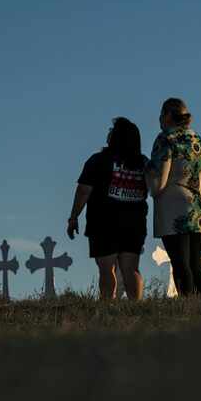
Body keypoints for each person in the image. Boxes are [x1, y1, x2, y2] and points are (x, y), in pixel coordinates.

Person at [67, 117, 148, 299]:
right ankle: (137, 307)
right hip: (134, 225)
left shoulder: (98, 160)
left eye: (112, 129)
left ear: (116, 136)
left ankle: (107, 306)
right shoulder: (144, 163)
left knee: (106, 269)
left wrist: (73, 217)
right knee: (131, 269)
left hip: (103, 224)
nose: (108, 132)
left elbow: (83, 191)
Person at [146, 98, 201, 296]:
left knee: (180, 261)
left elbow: (160, 177)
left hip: (173, 205)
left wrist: (147, 169)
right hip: (199, 206)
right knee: (196, 261)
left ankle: (187, 303)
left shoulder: (165, 139)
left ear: (167, 115)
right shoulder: (200, 142)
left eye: (160, 115)